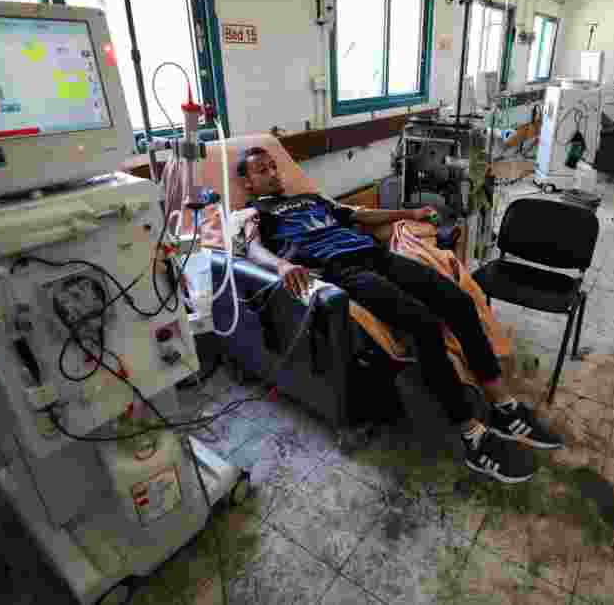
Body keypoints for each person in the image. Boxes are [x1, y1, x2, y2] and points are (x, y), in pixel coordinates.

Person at [238, 147, 563, 483]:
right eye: (262, 170)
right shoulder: (254, 213)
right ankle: (471, 433)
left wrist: (409, 213)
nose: (274, 173)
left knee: (459, 302)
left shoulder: (311, 199)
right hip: (338, 269)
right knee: (424, 324)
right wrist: (283, 264)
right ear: (247, 183)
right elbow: (251, 248)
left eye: (274, 166)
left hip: (372, 254)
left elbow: (359, 215)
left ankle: (502, 404)